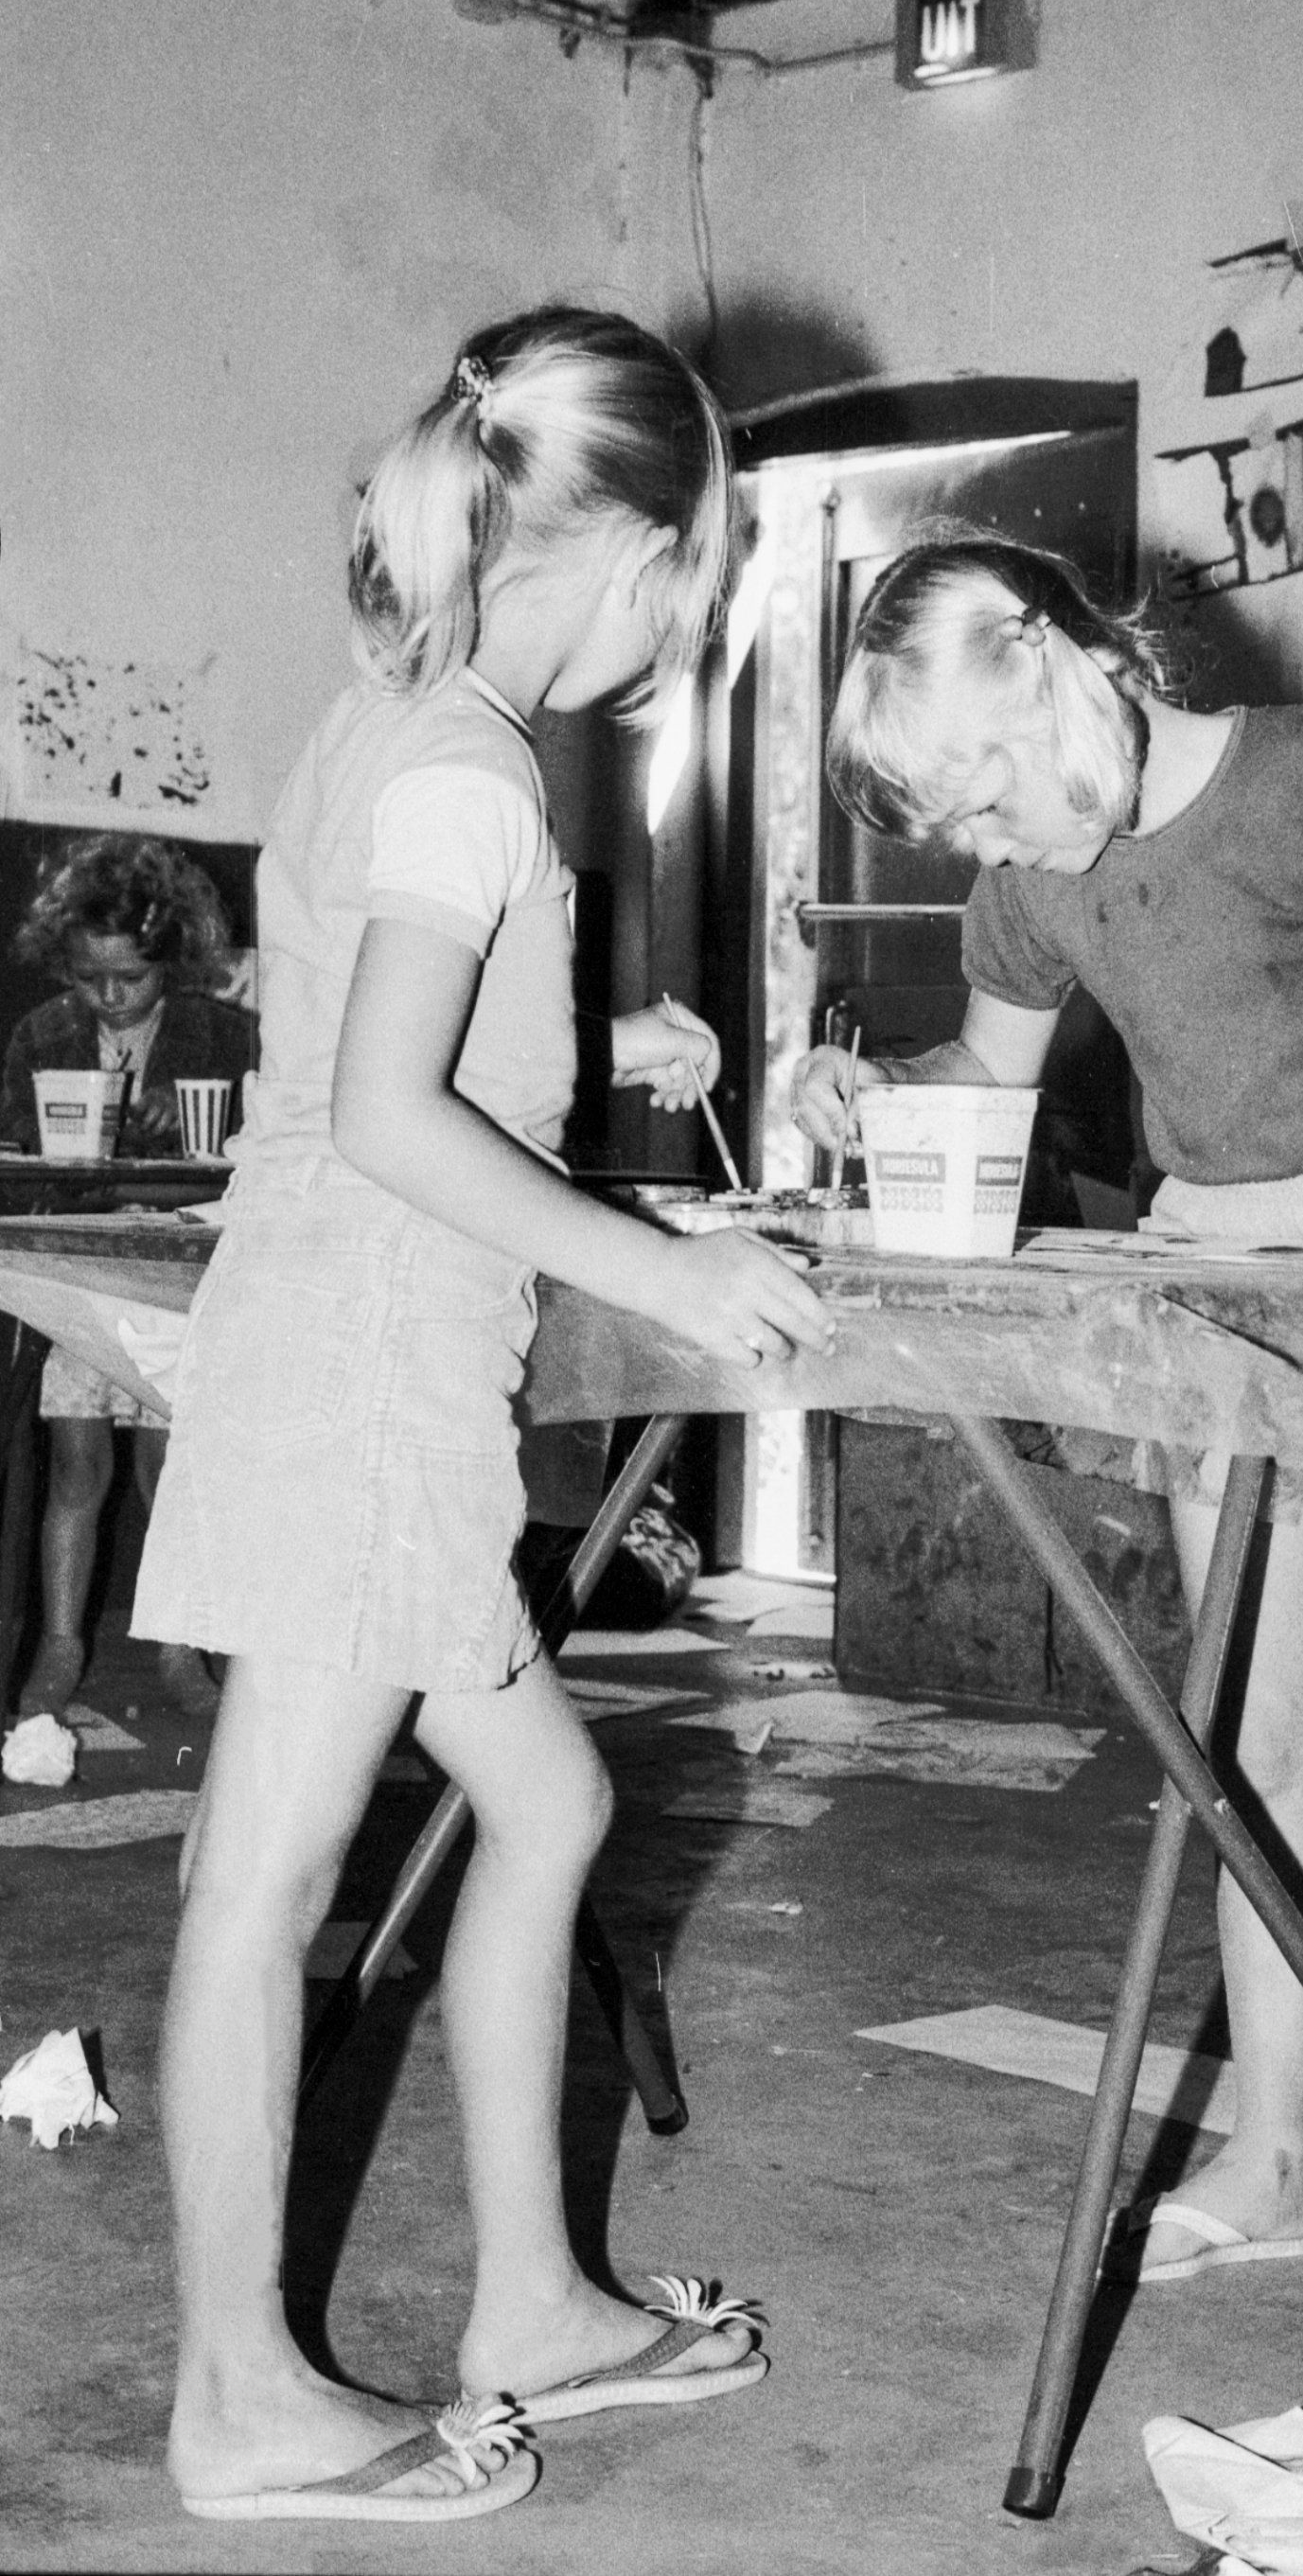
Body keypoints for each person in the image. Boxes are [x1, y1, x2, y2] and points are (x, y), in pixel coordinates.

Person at [134, 306, 835, 2527]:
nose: (677, 627)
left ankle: (532, 2299)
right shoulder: (473, 766)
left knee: (547, 1801)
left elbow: (402, 1030)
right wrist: (673, 1267)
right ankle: (240, 2396)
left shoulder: (406, 726)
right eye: (692, 581)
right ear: (633, 551)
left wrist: (605, 1045)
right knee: (266, 1883)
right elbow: (386, 1111)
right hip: (364, 1372)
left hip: (384, 1367)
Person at [794, 532, 1303, 2321]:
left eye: (991, 796)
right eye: (964, 828)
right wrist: (867, 1083)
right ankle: (1270, 2151)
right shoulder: (1033, 883)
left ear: (1052, 668)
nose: (998, 845)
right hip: (1205, 1272)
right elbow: (988, 1077)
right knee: (1245, 1761)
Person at [3, 834, 255, 1719]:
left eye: (131, 977)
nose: (110, 996)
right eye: (89, 977)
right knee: (77, 1463)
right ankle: (62, 1642)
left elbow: (254, 1158)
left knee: (170, 1464)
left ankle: (180, 1647)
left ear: (171, 959)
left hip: (178, 1275)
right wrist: (82, 1143)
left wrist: (179, 1136)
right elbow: (17, 1154)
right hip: (81, 1270)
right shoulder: (42, 1035)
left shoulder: (225, 1035)